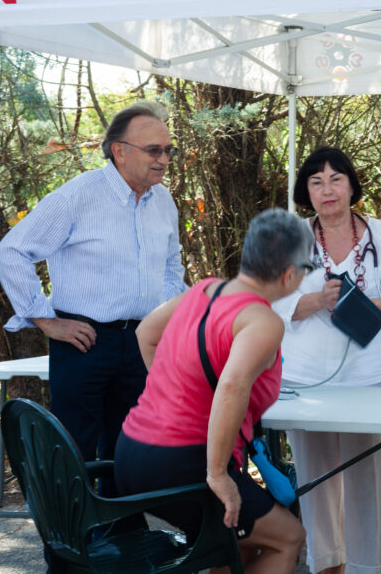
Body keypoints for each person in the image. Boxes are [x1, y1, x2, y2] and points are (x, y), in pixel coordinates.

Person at [0, 100, 186, 489]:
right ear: (120, 150)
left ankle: (122, 541)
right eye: (154, 150)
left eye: (169, 150)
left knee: (131, 451)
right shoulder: (77, 196)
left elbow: (172, 267)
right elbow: (11, 251)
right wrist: (45, 319)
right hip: (84, 341)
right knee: (74, 453)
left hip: (141, 342)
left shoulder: (163, 201)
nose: (164, 159)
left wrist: (167, 320)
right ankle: (73, 548)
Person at [114, 208, 309, 572]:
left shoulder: (203, 289)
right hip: (183, 464)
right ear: (289, 275)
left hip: (132, 452)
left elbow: (146, 334)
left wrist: (174, 398)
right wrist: (218, 474)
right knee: (288, 537)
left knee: (234, 546)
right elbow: (233, 386)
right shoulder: (261, 319)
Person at [272, 145, 381, 574]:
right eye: (316, 182)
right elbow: (271, 304)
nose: (327, 189)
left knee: (372, 481)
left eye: (336, 179)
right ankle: (327, 565)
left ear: (352, 186)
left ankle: (375, 567)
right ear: (306, 192)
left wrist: (365, 305)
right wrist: (315, 299)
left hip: (370, 377)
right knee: (317, 481)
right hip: (307, 381)